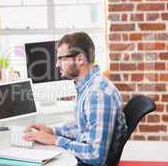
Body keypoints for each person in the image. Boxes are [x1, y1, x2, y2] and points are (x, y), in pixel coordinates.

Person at [24, 32, 127, 166]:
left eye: (61, 58)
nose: (57, 64)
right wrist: (52, 131)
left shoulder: (98, 94)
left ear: (80, 59)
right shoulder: (88, 86)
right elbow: (84, 130)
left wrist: (55, 140)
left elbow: (96, 156)